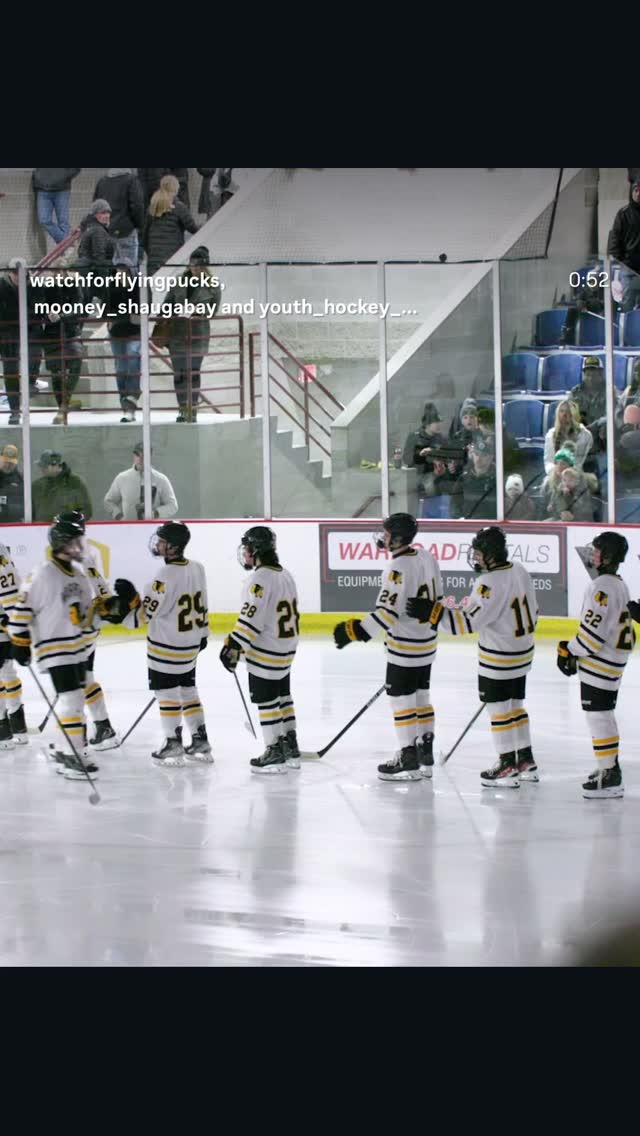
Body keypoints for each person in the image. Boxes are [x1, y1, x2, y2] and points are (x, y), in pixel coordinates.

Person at [410, 526, 538, 789]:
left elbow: (465, 624)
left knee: (499, 710)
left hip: (499, 658)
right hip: (523, 653)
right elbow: (535, 610)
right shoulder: (519, 570)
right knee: (516, 707)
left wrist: (434, 613)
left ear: (491, 554)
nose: (476, 558)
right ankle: (526, 761)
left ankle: (506, 765)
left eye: (479, 553)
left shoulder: (488, 583)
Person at [7, 516, 134, 779]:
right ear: (60, 543)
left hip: (76, 645)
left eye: (79, 541)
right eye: (73, 542)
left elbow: (89, 616)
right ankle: (72, 752)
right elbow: (22, 607)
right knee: (71, 698)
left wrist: (117, 608)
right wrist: (19, 639)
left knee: (74, 699)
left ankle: (67, 750)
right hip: (54, 647)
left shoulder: (78, 575)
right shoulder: (43, 573)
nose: (78, 547)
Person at [333, 513, 442, 782]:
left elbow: (387, 613)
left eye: (388, 533)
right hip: (427, 643)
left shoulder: (396, 568)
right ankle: (424, 751)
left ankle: (408, 757)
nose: (383, 536)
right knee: (421, 697)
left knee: (401, 700)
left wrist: (354, 631)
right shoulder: (427, 556)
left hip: (404, 647)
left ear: (399, 538)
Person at [116, 522, 211, 766]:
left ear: (173, 546)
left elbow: (144, 615)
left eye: (162, 541)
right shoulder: (198, 568)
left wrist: (126, 607)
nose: (157, 544)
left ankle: (172, 743)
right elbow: (203, 602)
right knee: (188, 691)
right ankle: (200, 740)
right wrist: (203, 634)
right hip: (190, 646)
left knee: (167, 694)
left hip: (166, 648)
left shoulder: (164, 575)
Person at [557, 533, 634, 799]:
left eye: (598, 551)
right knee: (604, 715)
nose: (593, 554)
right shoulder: (618, 583)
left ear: (609, 556)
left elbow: (591, 637)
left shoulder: (601, 586)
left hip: (600, 663)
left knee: (598, 716)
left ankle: (609, 775)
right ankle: (608, 767)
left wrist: (569, 649)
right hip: (613, 661)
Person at [220, 527, 301, 775]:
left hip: (266, 652)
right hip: (285, 650)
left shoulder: (259, 579)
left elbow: (251, 619)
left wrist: (233, 646)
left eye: (246, 548)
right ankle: (290, 745)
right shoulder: (285, 574)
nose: (244, 553)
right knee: (283, 697)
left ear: (255, 550)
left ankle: (274, 750)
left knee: (266, 701)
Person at [53, 512, 119, 751]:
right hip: (90, 625)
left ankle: (77, 739)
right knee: (86, 678)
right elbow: (103, 591)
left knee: (73, 683)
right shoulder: (86, 551)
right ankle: (103, 727)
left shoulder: (73, 557)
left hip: (78, 628)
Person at [165, 246, 221, 422]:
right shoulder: (178, 281)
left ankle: (193, 410)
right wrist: (173, 313)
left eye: (199, 266)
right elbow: (166, 304)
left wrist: (199, 312)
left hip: (198, 335)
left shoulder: (212, 285)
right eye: (192, 265)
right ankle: (183, 409)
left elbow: (213, 310)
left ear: (205, 267)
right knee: (179, 373)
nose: (195, 269)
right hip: (177, 334)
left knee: (194, 372)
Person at [0, 258, 45, 426]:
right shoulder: (2, 287)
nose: (18, 277)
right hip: (8, 334)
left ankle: (31, 383)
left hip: (31, 330)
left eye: (23, 274)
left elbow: (40, 308)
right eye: (15, 273)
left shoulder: (34, 287)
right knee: (11, 372)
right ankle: (14, 410)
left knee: (34, 357)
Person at [40, 267, 84, 424]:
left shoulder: (73, 286)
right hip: (51, 334)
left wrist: (62, 315)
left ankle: (64, 405)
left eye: (60, 272)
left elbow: (79, 306)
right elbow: (39, 306)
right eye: (55, 272)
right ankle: (62, 408)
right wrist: (48, 315)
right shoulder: (46, 287)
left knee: (76, 362)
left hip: (70, 331)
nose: (57, 275)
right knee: (56, 373)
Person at [0, 541, 29, 746]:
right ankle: (18, 726)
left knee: (5, 675)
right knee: (8, 674)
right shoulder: (4, 554)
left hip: (4, 625)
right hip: (8, 624)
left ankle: (3, 730)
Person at [104, 443, 178, 521]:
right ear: (133, 456)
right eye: (137, 455)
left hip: (153, 527)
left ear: (151, 457)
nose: (140, 459)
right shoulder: (122, 478)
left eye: (144, 455)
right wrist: (119, 516)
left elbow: (173, 505)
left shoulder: (161, 480)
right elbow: (108, 501)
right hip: (128, 527)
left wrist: (155, 514)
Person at [142, 175, 199, 276]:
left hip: (154, 260)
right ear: (175, 189)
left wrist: (151, 253)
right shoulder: (179, 207)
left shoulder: (152, 207)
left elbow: (145, 236)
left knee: (155, 285)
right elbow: (193, 229)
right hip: (173, 259)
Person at [107, 263, 141, 422]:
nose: (120, 275)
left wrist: (126, 315)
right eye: (118, 272)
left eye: (123, 272)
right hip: (116, 332)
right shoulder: (111, 287)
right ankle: (125, 405)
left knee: (133, 358)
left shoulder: (138, 286)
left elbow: (143, 309)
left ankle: (132, 398)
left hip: (134, 331)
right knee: (121, 369)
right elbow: (106, 308)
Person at [93, 168, 144, 267]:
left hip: (107, 231)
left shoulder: (102, 181)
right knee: (128, 267)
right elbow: (137, 206)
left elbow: (96, 206)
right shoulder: (131, 180)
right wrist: (139, 225)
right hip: (126, 230)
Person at [32, 451, 93, 522]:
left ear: (56, 466)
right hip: (40, 528)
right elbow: (30, 512)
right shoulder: (37, 486)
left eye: (45, 466)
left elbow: (87, 510)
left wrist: (69, 523)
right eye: (41, 466)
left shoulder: (75, 482)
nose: (42, 469)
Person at [402, 403, 448, 497]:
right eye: (435, 422)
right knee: (429, 484)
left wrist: (444, 464)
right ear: (427, 424)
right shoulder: (415, 437)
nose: (439, 424)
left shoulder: (441, 439)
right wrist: (421, 455)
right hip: (419, 476)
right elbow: (407, 459)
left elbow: (447, 459)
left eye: (439, 421)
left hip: (438, 476)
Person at [608, 181, 640, 312]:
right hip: (629, 269)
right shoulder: (623, 213)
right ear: (632, 192)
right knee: (628, 306)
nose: (638, 193)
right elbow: (614, 241)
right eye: (636, 190)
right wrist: (622, 262)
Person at [451, 436, 497, 520]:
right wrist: (459, 519)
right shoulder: (464, 478)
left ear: (491, 457)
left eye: (483, 455)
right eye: (476, 454)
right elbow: (454, 504)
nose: (478, 459)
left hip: (489, 523)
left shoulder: (497, 479)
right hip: (467, 523)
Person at [32, 168, 81, 245]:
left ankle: (66, 245)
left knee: (63, 222)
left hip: (62, 189)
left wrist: (63, 176)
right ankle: (67, 243)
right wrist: (38, 177)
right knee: (44, 220)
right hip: (43, 189)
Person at [543, 400, 593, 475]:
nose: (564, 414)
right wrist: (555, 471)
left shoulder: (585, 435)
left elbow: (581, 461)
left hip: (578, 475)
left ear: (574, 414)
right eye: (561, 411)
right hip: (556, 474)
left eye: (568, 412)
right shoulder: (551, 435)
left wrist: (568, 473)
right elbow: (548, 461)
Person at [76, 199, 116, 275]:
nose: (107, 216)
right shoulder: (98, 231)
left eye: (108, 212)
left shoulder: (89, 226)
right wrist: (104, 277)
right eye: (103, 213)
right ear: (95, 214)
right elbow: (99, 256)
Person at [0, 444, 24, 522]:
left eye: (11, 463)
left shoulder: (20, 480)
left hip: (12, 524)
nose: (7, 465)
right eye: (5, 462)